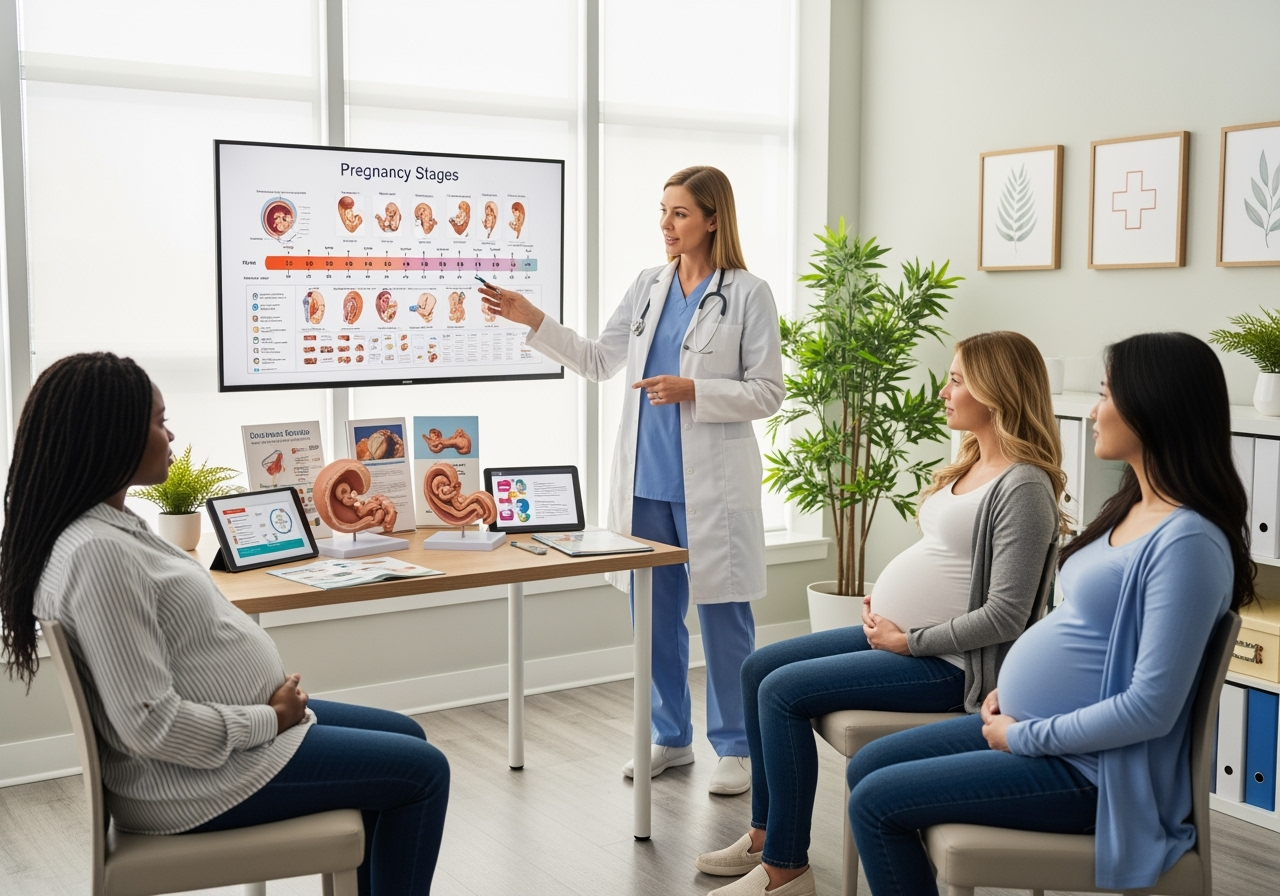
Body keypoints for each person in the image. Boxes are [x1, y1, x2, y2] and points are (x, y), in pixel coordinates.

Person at [0, 353, 450, 896]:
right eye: (157, 421)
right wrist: (269, 719)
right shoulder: (98, 554)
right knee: (423, 772)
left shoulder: (107, 527)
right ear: (110, 435)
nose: (170, 434)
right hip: (200, 783)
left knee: (407, 735)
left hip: (229, 751)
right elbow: (150, 726)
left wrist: (269, 712)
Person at [846, 332, 1254, 896]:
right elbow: (1082, 634)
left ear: (1154, 406)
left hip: (1091, 774)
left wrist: (1028, 734)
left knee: (876, 800)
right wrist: (1012, 694)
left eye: (1107, 394)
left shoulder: (1188, 542)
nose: (1093, 409)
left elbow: (1150, 708)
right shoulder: (1130, 508)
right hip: (1035, 731)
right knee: (868, 765)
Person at [696, 331, 1065, 896]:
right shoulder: (969, 461)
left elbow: (1007, 615)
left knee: (782, 691)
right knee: (757, 669)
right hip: (901, 638)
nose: (944, 391)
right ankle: (765, 834)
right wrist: (887, 603)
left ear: (997, 392)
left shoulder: (1024, 486)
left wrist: (909, 638)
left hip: (949, 665)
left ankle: (785, 870)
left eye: (958, 380)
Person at [480, 166, 783, 795]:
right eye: (663, 211)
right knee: (652, 616)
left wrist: (693, 389)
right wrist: (532, 318)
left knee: (725, 617)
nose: (666, 225)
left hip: (712, 489)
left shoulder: (749, 293)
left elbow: (768, 393)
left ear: (712, 220)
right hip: (646, 483)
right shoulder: (648, 287)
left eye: (678, 213)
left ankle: (735, 749)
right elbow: (597, 360)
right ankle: (670, 738)